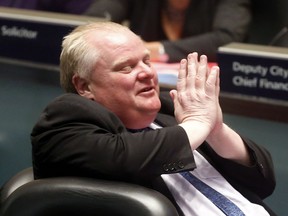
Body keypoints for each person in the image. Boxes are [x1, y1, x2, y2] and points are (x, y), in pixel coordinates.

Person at [31, 21, 276, 215]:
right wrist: (198, 123)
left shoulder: (170, 112)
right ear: (84, 86)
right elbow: (124, 157)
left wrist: (216, 130)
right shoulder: (64, 121)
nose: (147, 73)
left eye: (147, 61)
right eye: (127, 67)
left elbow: (263, 182)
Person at [83, 0, 252, 62]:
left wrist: (157, 50)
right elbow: (95, 20)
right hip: (147, 91)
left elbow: (227, 38)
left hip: (212, 95)